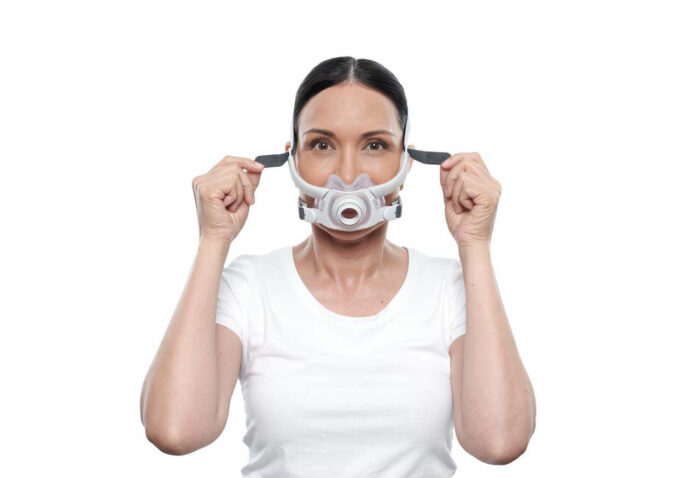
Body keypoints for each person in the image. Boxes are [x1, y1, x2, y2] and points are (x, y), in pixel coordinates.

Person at [140, 56, 536, 476]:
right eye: (322, 145)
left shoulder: (449, 289)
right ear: (292, 160)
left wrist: (474, 244)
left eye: (375, 145)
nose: (347, 177)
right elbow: (175, 430)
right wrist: (213, 240)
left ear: (406, 163)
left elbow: (498, 442)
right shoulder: (249, 285)